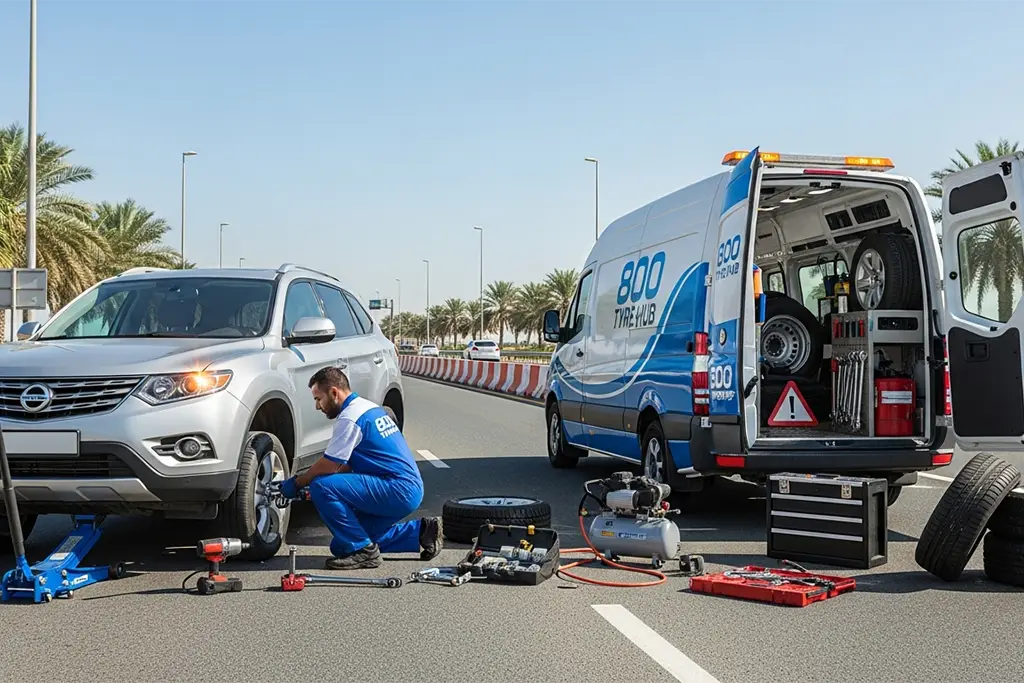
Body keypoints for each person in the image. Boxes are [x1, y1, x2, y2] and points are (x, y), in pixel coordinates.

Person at [277, 366, 443, 569]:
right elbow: (346, 466)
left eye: (318, 399)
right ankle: (422, 532)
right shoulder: (368, 408)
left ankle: (365, 553)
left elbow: (329, 465)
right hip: (406, 488)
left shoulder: (350, 418)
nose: (318, 407)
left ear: (334, 393)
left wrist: (296, 483)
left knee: (322, 486)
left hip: (397, 489)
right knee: (342, 545)